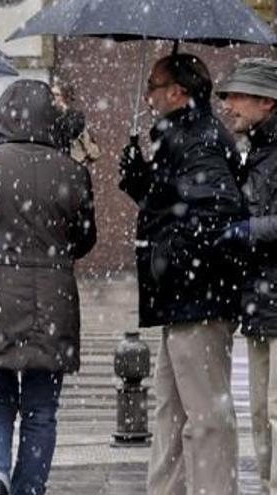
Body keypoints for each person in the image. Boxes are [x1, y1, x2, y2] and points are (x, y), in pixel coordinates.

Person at [0, 80, 97, 495]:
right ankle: (29, 487)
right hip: (54, 301)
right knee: (41, 409)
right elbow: (84, 239)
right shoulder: (72, 171)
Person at [118, 54, 246, 495]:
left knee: (206, 414)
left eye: (155, 86)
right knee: (171, 411)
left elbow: (217, 210)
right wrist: (140, 180)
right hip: (185, 298)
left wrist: (168, 257)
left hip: (199, 296)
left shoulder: (200, 138)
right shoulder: (182, 137)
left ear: (178, 92)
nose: (150, 96)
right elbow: (174, 202)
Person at [217, 57, 277, 492]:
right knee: (260, 411)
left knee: (274, 409)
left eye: (238, 96)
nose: (229, 105)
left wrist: (245, 231)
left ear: (267, 102)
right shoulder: (254, 150)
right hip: (260, 301)